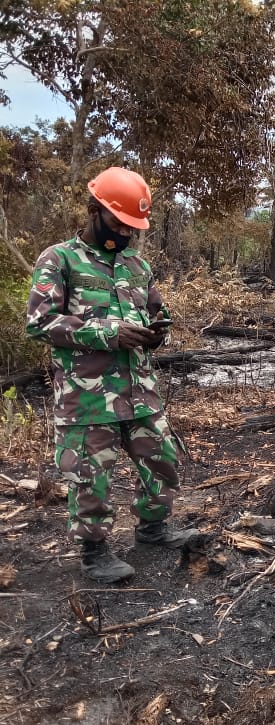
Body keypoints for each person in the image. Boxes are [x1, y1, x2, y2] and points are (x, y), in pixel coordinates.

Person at [25, 166, 198, 584]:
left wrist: (157, 334)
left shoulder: (137, 265)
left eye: (131, 228)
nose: (125, 233)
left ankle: (153, 527)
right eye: (119, 223)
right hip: (87, 394)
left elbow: (158, 312)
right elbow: (40, 322)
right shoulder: (60, 259)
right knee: (90, 475)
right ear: (95, 210)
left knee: (163, 459)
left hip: (140, 389)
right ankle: (94, 551)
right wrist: (107, 333)